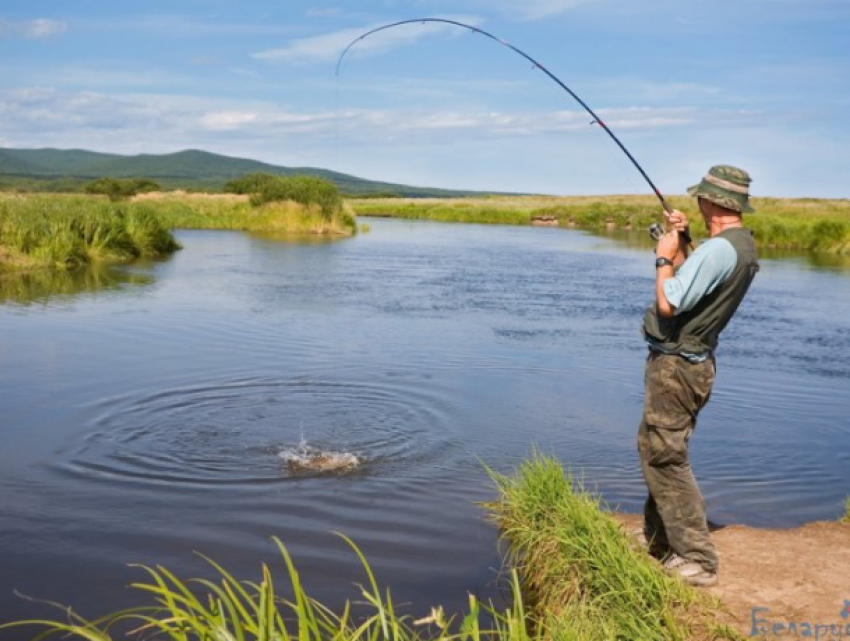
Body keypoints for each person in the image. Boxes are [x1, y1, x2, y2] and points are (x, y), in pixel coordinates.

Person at [637, 165, 760, 587]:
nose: (696, 201)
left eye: (701, 196)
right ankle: (659, 538)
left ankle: (697, 559)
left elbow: (671, 301)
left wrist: (663, 254)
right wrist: (685, 241)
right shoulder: (737, 245)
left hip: (677, 368)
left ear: (714, 202)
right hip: (691, 364)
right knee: (656, 447)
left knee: (667, 456)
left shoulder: (720, 250)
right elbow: (696, 283)